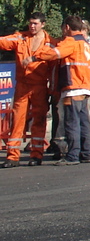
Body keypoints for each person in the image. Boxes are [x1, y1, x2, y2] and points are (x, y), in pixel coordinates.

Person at [0, 13, 55, 167]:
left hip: (40, 86)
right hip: (22, 86)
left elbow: (54, 67)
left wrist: (52, 88)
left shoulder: (50, 43)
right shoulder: (21, 38)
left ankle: (37, 155)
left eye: (35, 24)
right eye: (30, 23)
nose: (32, 26)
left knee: (39, 120)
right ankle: (12, 156)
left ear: (43, 24)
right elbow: (4, 41)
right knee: (17, 120)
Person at [43, 16, 90, 165]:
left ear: (67, 27)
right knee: (84, 122)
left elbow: (54, 54)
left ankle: (73, 155)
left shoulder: (71, 41)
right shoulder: (85, 43)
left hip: (72, 86)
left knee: (71, 123)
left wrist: (35, 55)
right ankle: (86, 153)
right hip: (85, 87)